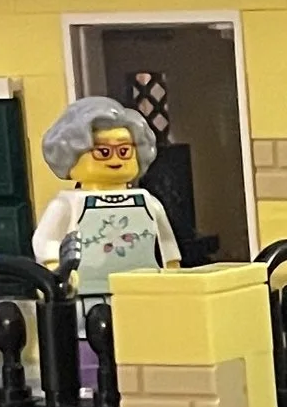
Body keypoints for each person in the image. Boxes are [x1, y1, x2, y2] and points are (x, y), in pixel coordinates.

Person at [32, 97, 183, 302]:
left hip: (143, 288)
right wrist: (55, 269)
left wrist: (172, 268)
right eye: (103, 152)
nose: (115, 160)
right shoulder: (68, 204)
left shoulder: (148, 202)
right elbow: (46, 241)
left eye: (124, 151)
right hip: (87, 291)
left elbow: (166, 241)